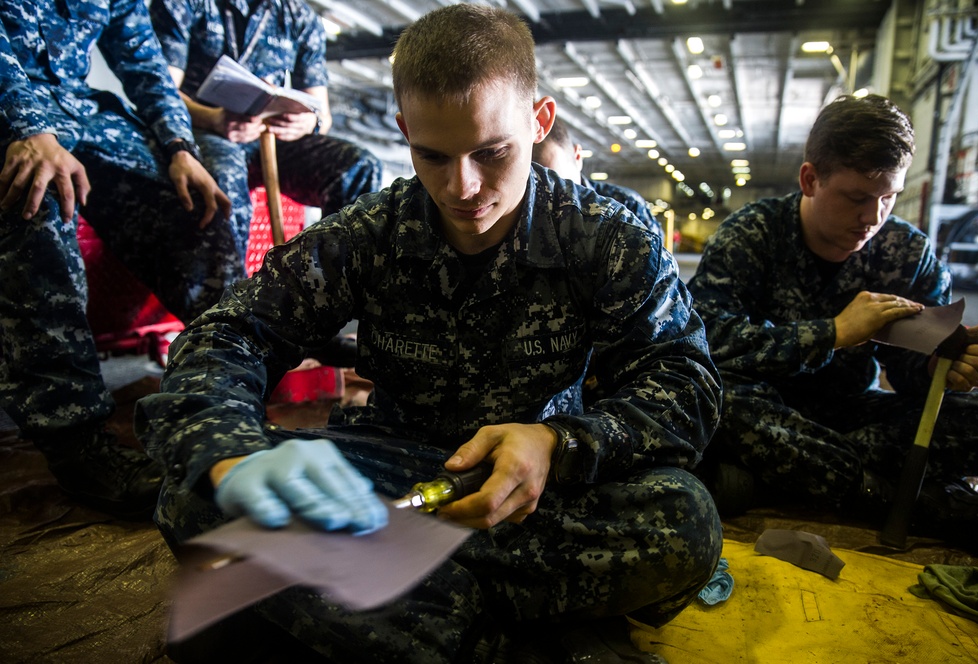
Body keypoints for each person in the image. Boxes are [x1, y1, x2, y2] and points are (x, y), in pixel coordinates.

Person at [136, 4, 724, 662]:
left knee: (683, 519)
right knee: (194, 496)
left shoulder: (603, 234)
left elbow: (685, 383)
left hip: (536, 496)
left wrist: (558, 443)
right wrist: (236, 454)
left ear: (539, 121)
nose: (461, 186)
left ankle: (379, 614)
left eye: (491, 152)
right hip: (393, 486)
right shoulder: (370, 232)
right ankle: (493, 639)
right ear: (404, 131)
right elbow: (224, 336)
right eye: (431, 155)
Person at [687, 93, 978, 549]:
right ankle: (911, 504)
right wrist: (832, 334)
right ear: (810, 179)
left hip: (849, 420)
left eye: (889, 198)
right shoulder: (752, 235)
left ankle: (786, 480)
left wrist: (944, 367)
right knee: (714, 398)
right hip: (764, 412)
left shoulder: (908, 253)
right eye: (856, 198)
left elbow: (913, 374)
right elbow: (704, 340)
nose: (873, 217)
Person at [0, 0, 246, 520]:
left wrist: (181, 148)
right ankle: (77, 442)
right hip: (9, 106)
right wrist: (25, 128)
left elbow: (145, 65)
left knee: (196, 199)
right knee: (35, 194)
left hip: (78, 109)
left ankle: (222, 380)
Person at [149, 0, 383, 268]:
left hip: (273, 138)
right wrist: (213, 119)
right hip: (205, 130)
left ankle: (331, 286)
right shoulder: (186, 3)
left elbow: (322, 114)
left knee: (359, 166)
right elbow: (162, 90)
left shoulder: (299, 16)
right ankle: (228, 299)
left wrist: (307, 122)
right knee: (225, 174)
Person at [533, 116, 665, 244]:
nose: (549, 199)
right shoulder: (526, 213)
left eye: (559, 185)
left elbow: (655, 260)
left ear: (578, 156)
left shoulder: (627, 205)